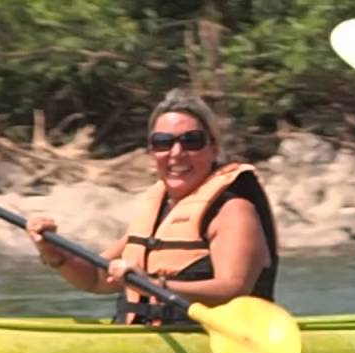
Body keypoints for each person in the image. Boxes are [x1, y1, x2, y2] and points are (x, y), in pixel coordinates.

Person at [26, 89, 278, 325]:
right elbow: (96, 278)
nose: (176, 153)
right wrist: (54, 253)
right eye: (163, 142)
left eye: (191, 141)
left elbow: (233, 290)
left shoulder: (234, 210)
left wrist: (154, 285)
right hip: (145, 340)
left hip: (213, 343)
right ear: (151, 151)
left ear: (213, 148)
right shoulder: (157, 212)